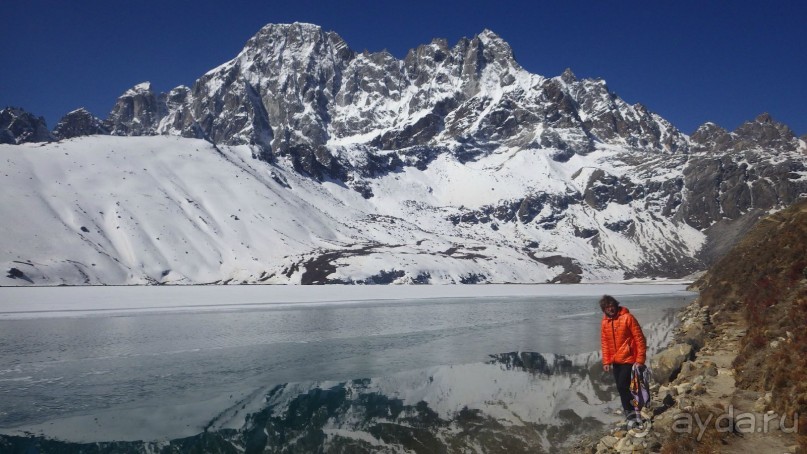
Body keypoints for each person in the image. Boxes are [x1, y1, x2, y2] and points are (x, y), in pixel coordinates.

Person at [599, 295, 647, 428]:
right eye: (607, 307)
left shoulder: (628, 318)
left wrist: (640, 359)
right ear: (604, 309)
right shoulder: (605, 322)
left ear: (616, 305)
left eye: (611, 305)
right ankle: (631, 416)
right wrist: (606, 361)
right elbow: (605, 343)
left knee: (622, 386)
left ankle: (634, 414)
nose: (610, 309)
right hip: (616, 361)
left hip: (629, 359)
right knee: (623, 390)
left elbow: (639, 338)